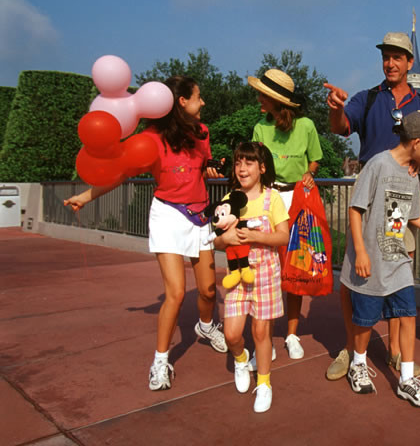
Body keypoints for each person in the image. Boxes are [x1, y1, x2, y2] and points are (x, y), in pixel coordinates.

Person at [64, 76, 227, 390]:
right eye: (198, 97)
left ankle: (206, 327)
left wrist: (210, 166)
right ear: (181, 101)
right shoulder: (150, 140)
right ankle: (161, 360)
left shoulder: (202, 132)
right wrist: (85, 196)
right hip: (168, 215)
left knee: (208, 291)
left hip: (200, 215)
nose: (202, 103)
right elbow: (121, 171)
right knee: (176, 293)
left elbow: (203, 162)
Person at [324, 32, 420, 380]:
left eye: (397, 57)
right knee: (353, 278)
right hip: (369, 192)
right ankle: (351, 349)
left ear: (409, 63)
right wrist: (336, 109)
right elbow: (342, 127)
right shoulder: (368, 99)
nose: (390, 63)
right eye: (386, 57)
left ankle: (393, 350)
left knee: (397, 273)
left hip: (401, 202)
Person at [340, 111, 420, 407]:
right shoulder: (378, 165)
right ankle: (358, 364)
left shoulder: (412, 174)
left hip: (397, 259)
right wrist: (361, 251)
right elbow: (356, 209)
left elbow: (413, 216)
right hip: (371, 261)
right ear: (417, 142)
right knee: (365, 321)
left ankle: (406, 379)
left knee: (407, 315)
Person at [249, 68, 323, 361]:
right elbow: (255, 164)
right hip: (268, 198)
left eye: (263, 96)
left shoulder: (305, 126)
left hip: (296, 198)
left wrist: (309, 173)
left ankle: (291, 334)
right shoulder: (260, 127)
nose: (258, 100)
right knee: (264, 267)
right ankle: (263, 337)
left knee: (295, 268)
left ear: (276, 100)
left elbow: (315, 159)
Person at [216, 142, 289, 413]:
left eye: (248, 163)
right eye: (238, 163)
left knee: (261, 330)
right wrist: (225, 238)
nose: (242, 168)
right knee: (232, 334)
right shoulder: (228, 200)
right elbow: (216, 241)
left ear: (262, 168)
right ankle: (240, 358)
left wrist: (258, 236)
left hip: (267, 273)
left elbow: (283, 235)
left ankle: (265, 383)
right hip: (237, 276)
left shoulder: (273, 198)